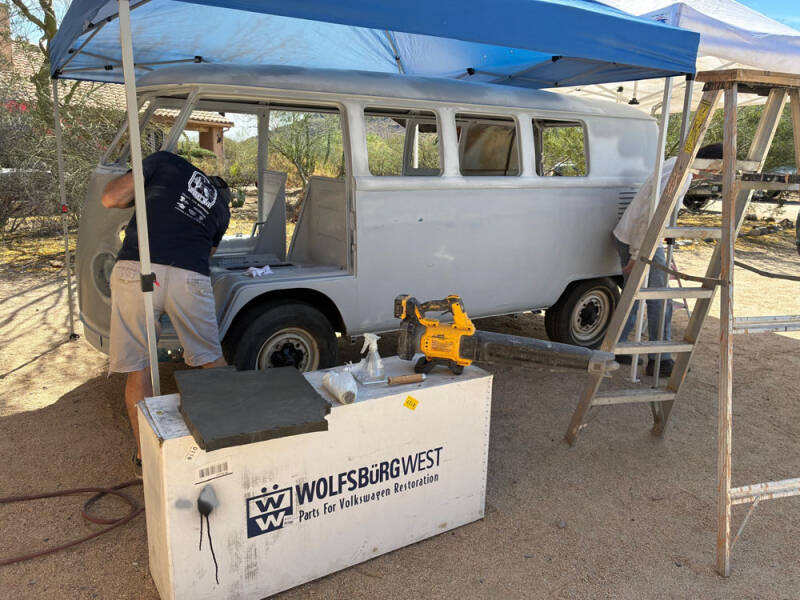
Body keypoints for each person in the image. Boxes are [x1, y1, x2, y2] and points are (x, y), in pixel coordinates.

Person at [102, 151, 230, 476]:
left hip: (139, 268)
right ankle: (225, 441)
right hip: (190, 276)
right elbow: (209, 251)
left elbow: (110, 198)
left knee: (139, 367)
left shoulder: (166, 162)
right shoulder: (221, 207)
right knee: (211, 360)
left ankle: (147, 461)